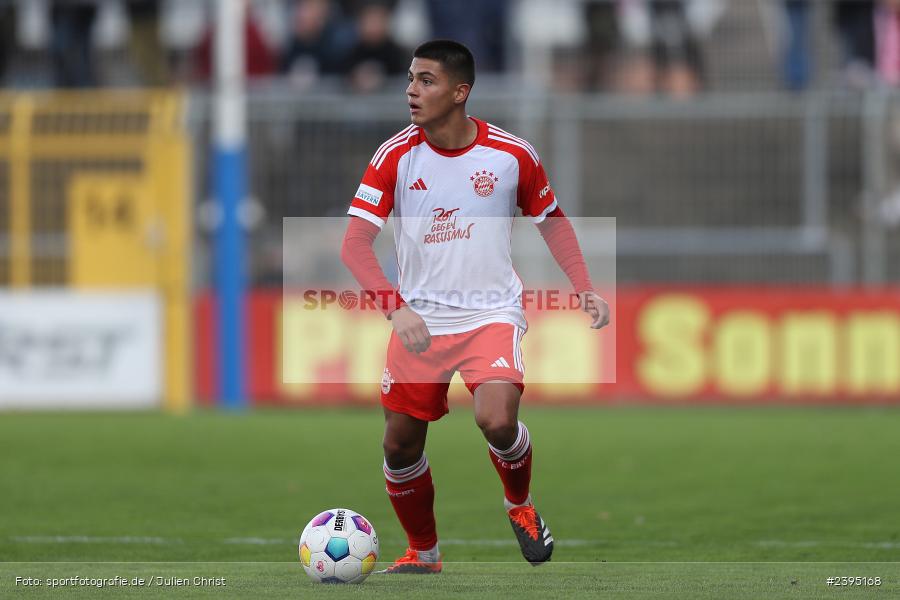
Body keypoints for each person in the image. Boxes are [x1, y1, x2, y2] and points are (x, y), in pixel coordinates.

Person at [340, 39, 610, 573]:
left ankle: (519, 505)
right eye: (411, 79)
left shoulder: (511, 155)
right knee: (399, 446)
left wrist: (583, 285)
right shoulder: (394, 156)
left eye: (426, 81)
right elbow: (354, 244)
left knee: (496, 420)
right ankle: (424, 553)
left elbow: (552, 221)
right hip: (421, 320)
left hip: (490, 313)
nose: (412, 90)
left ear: (460, 91)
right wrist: (397, 308)